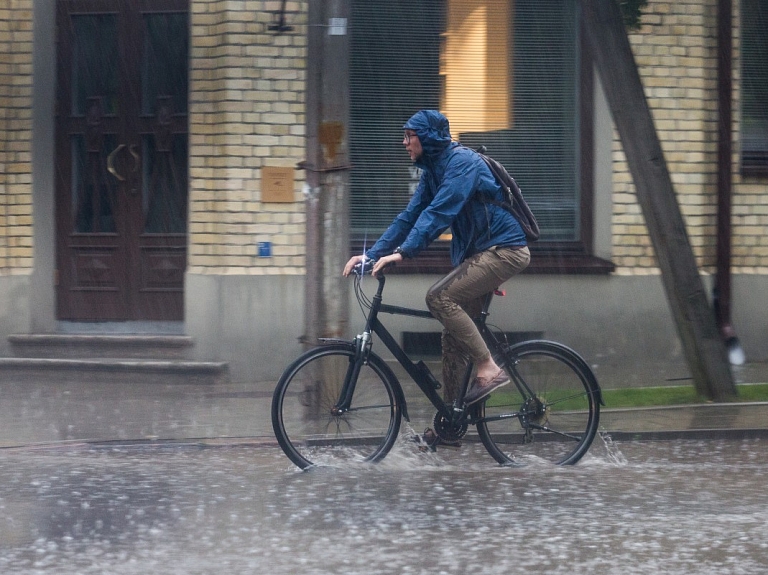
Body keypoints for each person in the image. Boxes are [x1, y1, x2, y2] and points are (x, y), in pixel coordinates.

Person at [343, 109, 530, 410]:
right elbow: (409, 217)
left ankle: (489, 368)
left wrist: (403, 252)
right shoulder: (433, 171)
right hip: (481, 253)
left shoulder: (462, 164)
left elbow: (439, 213)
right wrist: (371, 254)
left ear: (428, 138)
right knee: (453, 340)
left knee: (438, 298)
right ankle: (450, 422)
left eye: (409, 135)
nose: (404, 142)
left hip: (504, 250)